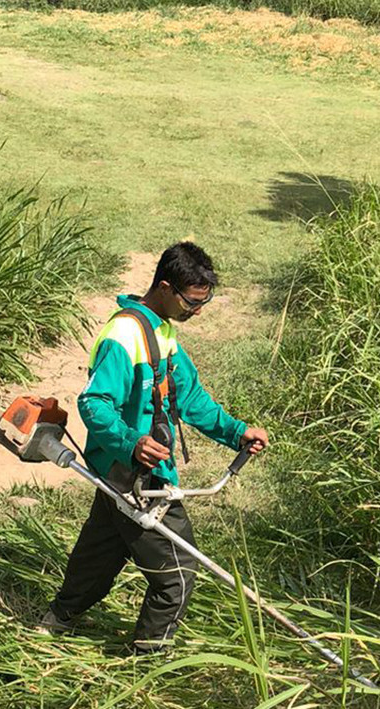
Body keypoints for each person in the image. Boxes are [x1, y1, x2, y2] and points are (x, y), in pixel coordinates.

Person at [39, 241, 269, 654]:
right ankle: (144, 661)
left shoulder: (162, 332)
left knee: (100, 554)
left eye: (205, 301)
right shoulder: (124, 335)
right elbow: (93, 403)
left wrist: (237, 433)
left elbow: (191, 399)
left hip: (123, 471)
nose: (197, 310)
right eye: (192, 301)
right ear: (165, 287)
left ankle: (56, 619)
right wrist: (133, 443)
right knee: (177, 575)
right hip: (133, 475)